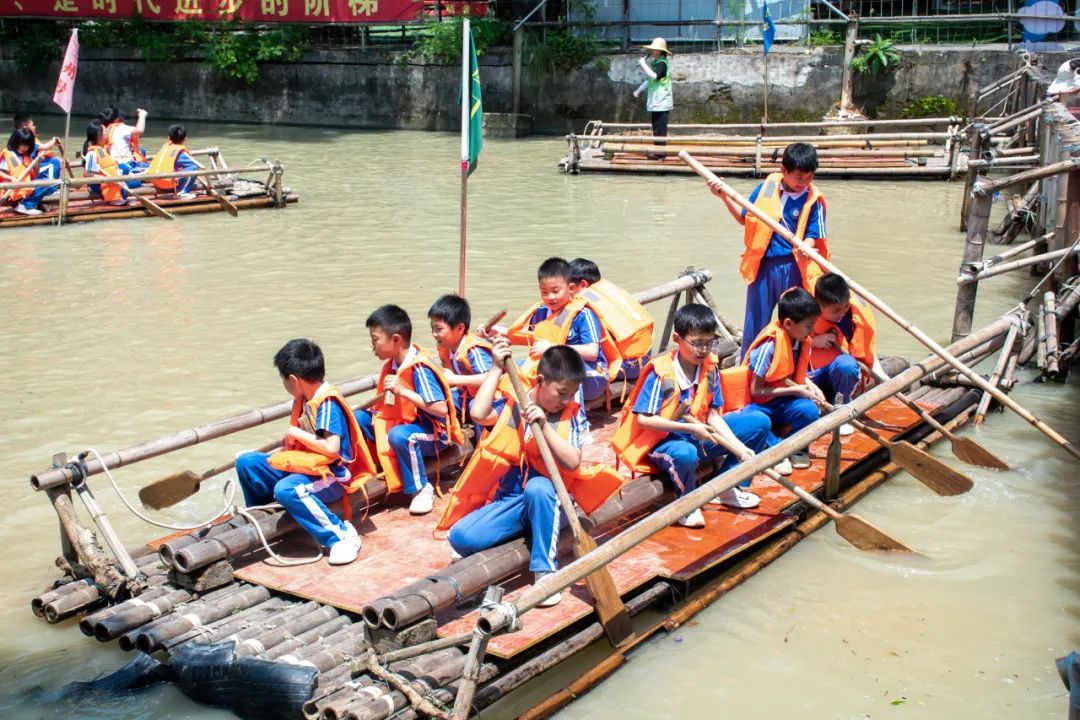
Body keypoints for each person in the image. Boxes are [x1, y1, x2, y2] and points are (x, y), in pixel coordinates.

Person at [438, 338, 624, 608]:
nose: (566, 400)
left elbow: (573, 462)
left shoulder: (568, 415)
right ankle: (530, 529)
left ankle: (545, 572)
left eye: (571, 394)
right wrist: (495, 368)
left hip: (549, 497)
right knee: (460, 537)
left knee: (539, 489)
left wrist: (544, 426)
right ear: (540, 381)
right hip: (512, 500)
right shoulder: (516, 404)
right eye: (561, 392)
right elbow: (478, 413)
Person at [611, 304, 771, 526]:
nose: (703, 349)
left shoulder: (710, 367)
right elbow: (644, 419)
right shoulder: (661, 373)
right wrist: (690, 428)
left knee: (758, 423)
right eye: (696, 343)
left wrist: (739, 447)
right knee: (686, 453)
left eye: (708, 342)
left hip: (698, 434)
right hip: (661, 443)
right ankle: (687, 504)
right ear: (677, 338)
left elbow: (714, 416)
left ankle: (728, 486)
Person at [234, 339, 376, 565]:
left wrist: (296, 433)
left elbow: (331, 449)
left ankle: (341, 536)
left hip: (333, 476)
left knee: (287, 489)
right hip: (308, 467)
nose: (284, 384)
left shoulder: (327, 403)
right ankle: (263, 515)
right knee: (247, 462)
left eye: (283, 379)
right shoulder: (305, 400)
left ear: (293, 380)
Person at [711, 142, 830, 359]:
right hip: (764, 265)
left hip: (795, 266)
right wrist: (724, 197)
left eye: (809, 177)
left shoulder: (813, 200)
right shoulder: (767, 188)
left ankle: (792, 365)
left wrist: (807, 246)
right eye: (798, 178)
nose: (803, 183)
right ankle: (748, 363)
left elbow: (815, 234)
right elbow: (743, 218)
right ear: (783, 171)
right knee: (755, 321)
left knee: (794, 322)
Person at [354, 304, 463, 516]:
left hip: (435, 432)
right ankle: (372, 467)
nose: (372, 345)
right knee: (359, 419)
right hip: (407, 423)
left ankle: (421, 488)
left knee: (401, 436)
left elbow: (440, 409)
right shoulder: (394, 364)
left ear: (396, 339)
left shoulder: (419, 367)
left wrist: (402, 391)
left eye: (376, 339)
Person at [498, 257, 622, 402]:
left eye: (555, 291)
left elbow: (592, 352)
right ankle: (509, 409)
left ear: (570, 288)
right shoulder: (542, 311)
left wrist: (554, 348)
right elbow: (533, 339)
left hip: (592, 374)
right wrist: (501, 332)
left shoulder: (584, 313)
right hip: (556, 368)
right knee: (512, 368)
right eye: (544, 292)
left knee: (562, 374)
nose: (550, 297)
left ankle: (577, 421)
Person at [741, 287, 825, 475]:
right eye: (809, 325)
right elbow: (756, 390)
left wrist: (811, 387)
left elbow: (795, 376)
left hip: (784, 401)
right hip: (759, 404)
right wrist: (795, 391)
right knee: (757, 420)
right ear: (788, 323)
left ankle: (798, 448)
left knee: (810, 409)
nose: (812, 330)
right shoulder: (768, 347)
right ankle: (776, 450)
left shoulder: (801, 340)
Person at [809, 273, 883, 436]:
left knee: (847, 364)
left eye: (845, 307)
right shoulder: (804, 311)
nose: (841, 313)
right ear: (819, 305)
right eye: (836, 311)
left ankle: (842, 411)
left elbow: (867, 350)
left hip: (841, 378)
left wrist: (884, 379)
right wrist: (814, 342)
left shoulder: (855, 314)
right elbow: (788, 344)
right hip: (811, 378)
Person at [569, 257, 654, 382]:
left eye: (570, 287)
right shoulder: (610, 291)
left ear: (583, 284)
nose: (568, 292)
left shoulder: (585, 303)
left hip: (625, 367)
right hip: (645, 358)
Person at [428, 294, 494, 424]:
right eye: (432, 328)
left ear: (460, 328)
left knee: (475, 406)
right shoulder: (447, 347)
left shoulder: (473, 350)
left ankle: (483, 442)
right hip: (467, 396)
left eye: (439, 329)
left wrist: (456, 379)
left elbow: (491, 378)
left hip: (490, 402)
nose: (434, 334)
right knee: (437, 401)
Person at [1, 128, 59, 216]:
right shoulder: (9, 155)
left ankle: (29, 202)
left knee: (52, 185)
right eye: (22, 145)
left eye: (27, 145)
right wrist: (10, 178)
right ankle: (26, 205)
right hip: (13, 190)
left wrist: (38, 160)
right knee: (47, 185)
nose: (24, 148)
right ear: (15, 141)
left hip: (26, 187)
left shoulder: (26, 155)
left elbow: (35, 173)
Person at [633, 37, 673, 158]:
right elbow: (649, 80)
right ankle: (658, 152)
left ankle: (660, 153)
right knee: (656, 128)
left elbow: (655, 76)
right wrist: (639, 90)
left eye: (656, 50)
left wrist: (643, 64)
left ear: (661, 51)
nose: (653, 52)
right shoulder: (656, 63)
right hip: (656, 102)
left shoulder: (662, 63)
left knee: (660, 129)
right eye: (653, 49)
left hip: (662, 101)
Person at [82, 121, 130, 206]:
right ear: (98, 134)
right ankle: (114, 197)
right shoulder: (92, 153)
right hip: (98, 184)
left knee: (125, 168)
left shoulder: (102, 150)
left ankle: (119, 191)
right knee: (134, 184)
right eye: (105, 131)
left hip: (110, 180)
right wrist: (109, 179)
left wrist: (118, 178)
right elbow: (88, 173)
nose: (107, 132)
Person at [148, 124, 200, 200]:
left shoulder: (165, 147)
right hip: (166, 183)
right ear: (185, 139)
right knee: (194, 167)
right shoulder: (181, 153)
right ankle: (183, 192)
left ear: (168, 138)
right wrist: (209, 184)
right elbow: (201, 166)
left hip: (154, 180)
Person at [13, 114, 63, 187]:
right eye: (32, 125)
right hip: (27, 169)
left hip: (33, 165)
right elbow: (45, 147)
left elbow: (44, 153)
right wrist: (53, 140)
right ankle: (53, 186)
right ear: (25, 127)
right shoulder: (24, 140)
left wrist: (61, 159)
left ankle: (52, 184)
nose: (34, 127)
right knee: (54, 163)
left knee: (54, 160)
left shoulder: (25, 138)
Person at [101, 106, 149, 174]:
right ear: (117, 120)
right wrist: (142, 115)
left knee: (141, 151)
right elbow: (140, 130)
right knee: (154, 169)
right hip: (127, 166)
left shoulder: (103, 131)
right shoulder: (121, 128)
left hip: (114, 166)